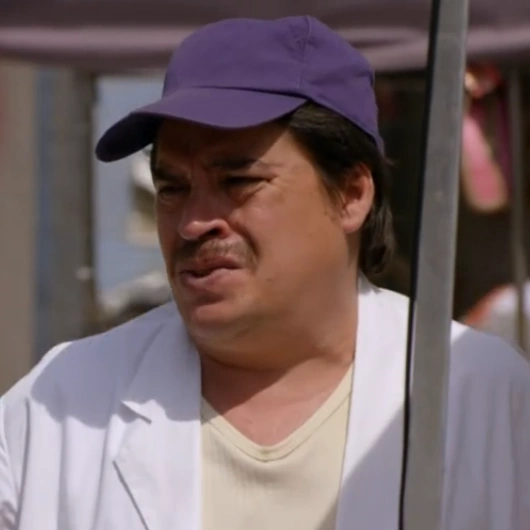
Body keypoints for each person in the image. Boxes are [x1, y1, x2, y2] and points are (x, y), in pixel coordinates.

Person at [1, 16, 529, 530]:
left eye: (238, 181)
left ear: (351, 194)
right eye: (172, 189)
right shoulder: (61, 403)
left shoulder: (487, 399)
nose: (193, 223)